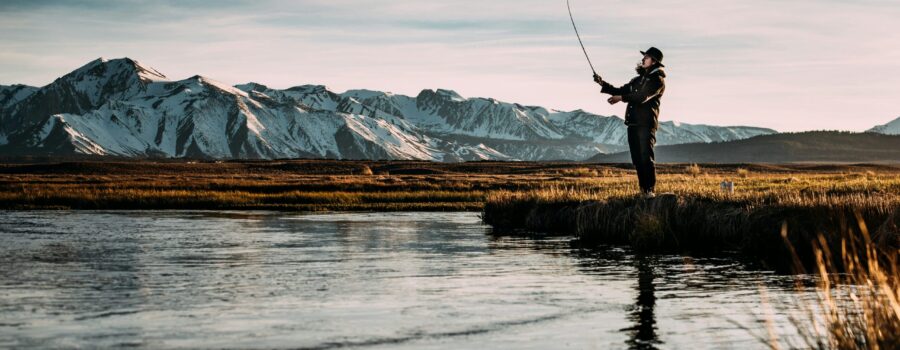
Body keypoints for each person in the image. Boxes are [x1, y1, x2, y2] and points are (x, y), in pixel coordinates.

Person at [593, 47, 666, 199]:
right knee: (637, 159)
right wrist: (602, 83)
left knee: (646, 158)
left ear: (654, 61)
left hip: (646, 124)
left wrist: (620, 98)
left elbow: (641, 97)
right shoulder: (637, 80)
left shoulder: (657, 80)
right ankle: (643, 192)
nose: (643, 59)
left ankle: (650, 191)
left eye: (646, 57)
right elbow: (620, 90)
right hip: (633, 124)